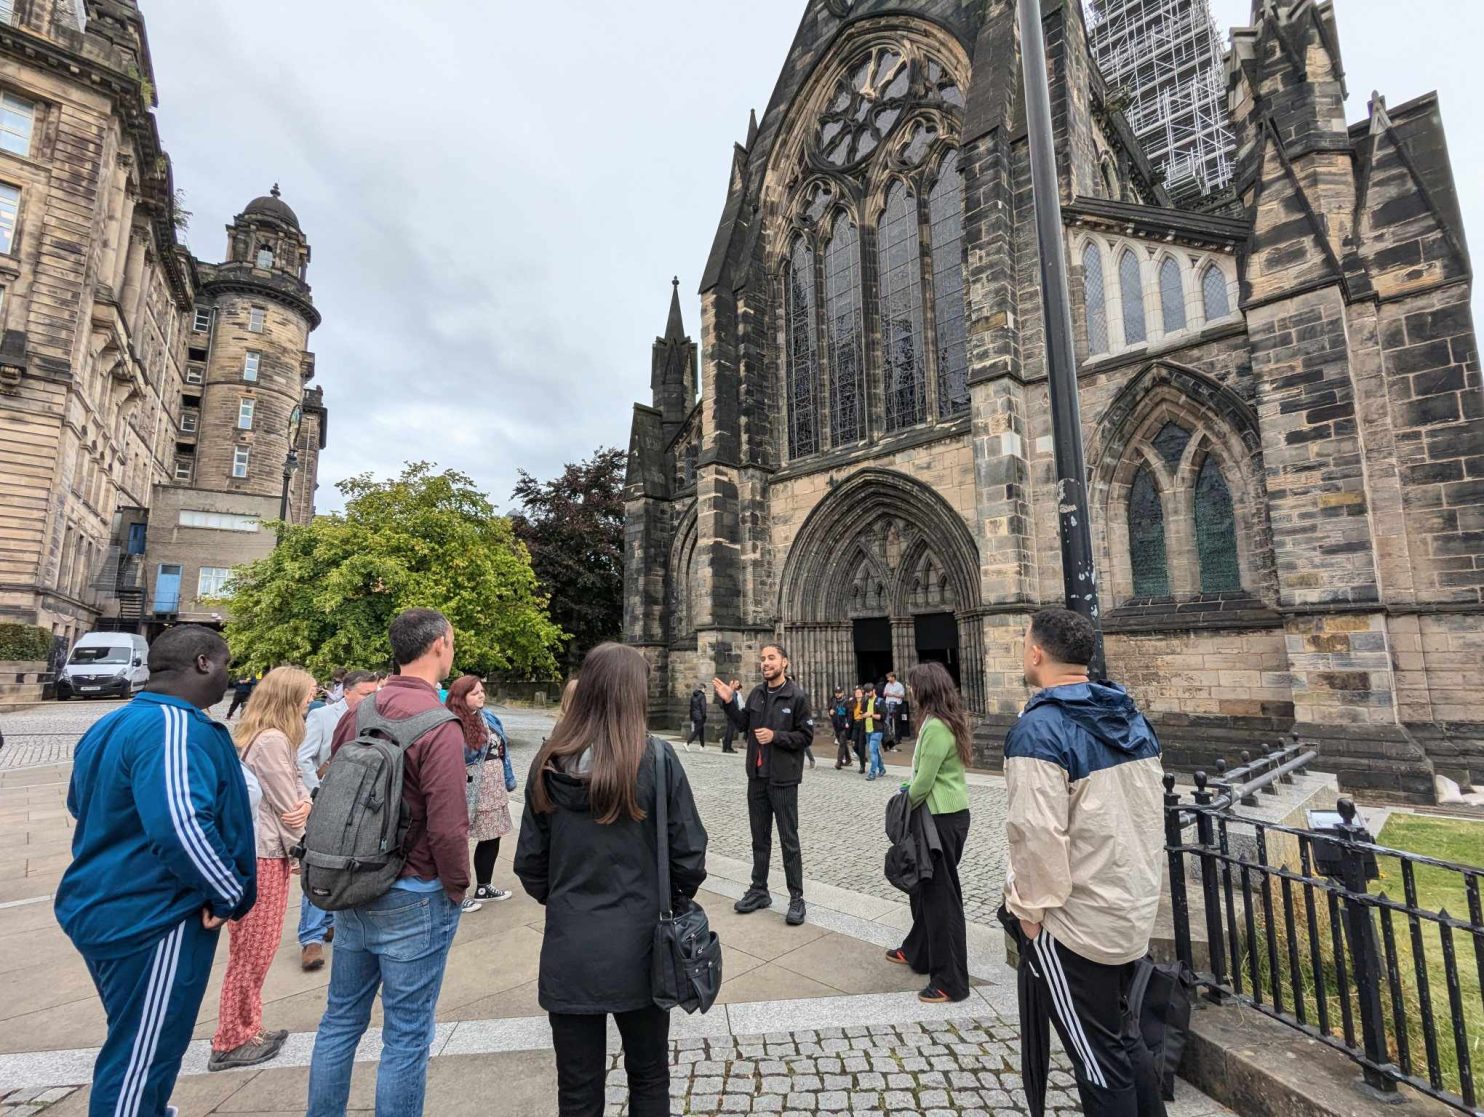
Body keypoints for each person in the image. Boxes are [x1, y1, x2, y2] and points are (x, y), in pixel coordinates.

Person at [55, 625, 257, 1117]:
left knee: (139, 1040)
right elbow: (181, 827)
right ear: (204, 663)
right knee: (140, 1062)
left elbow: (81, 804)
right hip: (154, 915)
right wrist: (227, 892)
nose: (228, 677)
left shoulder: (112, 724)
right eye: (226, 665)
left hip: (108, 905)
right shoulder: (173, 727)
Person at [514, 643, 707, 1117]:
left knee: (578, 1091)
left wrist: (568, 901)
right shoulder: (657, 759)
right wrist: (667, 896)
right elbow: (689, 855)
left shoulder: (548, 761)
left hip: (571, 946)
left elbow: (530, 864)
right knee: (649, 1076)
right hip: (644, 947)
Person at [307, 608, 470, 1117]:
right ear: (439, 644)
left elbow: (334, 788)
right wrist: (457, 887)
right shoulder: (440, 725)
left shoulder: (360, 712)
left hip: (354, 884)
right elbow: (448, 827)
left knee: (339, 1022)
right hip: (415, 892)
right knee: (406, 1035)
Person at [1004, 607, 1166, 1117]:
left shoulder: (1039, 730)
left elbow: (1036, 837)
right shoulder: (1129, 716)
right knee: (1121, 1039)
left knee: (1097, 1064)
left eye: (1023, 642)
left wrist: (1029, 917)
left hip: (1075, 927)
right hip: (1128, 911)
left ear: (1036, 653)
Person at [209, 666, 316, 1071]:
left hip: (266, 851)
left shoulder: (270, 736)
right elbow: (290, 807)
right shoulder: (272, 740)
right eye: (307, 693)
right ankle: (231, 1038)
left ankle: (249, 1026)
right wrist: (303, 844)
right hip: (264, 854)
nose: (311, 700)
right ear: (289, 697)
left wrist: (304, 803)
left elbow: (297, 791)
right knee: (254, 949)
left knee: (257, 948)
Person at [886, 662, 972, 1003]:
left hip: (939, 819)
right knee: (925, 890)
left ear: (925, 689)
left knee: (941, 899)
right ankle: (918, 952)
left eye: (912, 685)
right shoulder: (947, 720)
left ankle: (951, 981)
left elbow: (924, 781)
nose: (909, 691)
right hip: (948, 815)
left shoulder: (935, 726)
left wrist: (903, 802)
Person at [713, 644, 813, 926]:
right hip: (757, 777)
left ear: (785, 662)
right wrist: (729, 702)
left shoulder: (796, 696)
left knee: (788, 840)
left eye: (771, 658)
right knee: (759, 838)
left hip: (783, 779)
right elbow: (743, 724)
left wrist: (776, 736)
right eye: (762, 659)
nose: (765, 663)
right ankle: (759, 890)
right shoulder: (757, 693)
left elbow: (806, 736)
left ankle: (796, 898)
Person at [295, 670, 379, 971]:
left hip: (360, 803)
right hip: (327, 800)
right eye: (366, 694)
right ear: (346, 692)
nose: (372, 698)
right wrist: (317, 793)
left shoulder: (376, 716)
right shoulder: (323, 716)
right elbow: (304, 758)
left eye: (375, 693)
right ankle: (311, 937)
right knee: (321, 864)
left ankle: (331, 920)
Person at [447, 674, 514, 912]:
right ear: (461, 696)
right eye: (474, 693)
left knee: (492, 835)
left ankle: (484, 886)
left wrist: (508, 779)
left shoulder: (489, 717)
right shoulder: (452, 722)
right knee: (459, 840)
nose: (481, 695)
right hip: (467, 786)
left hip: (493, 787)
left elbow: (503, 750)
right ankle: (457, 893)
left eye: (482, 691)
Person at [859, 681, 886, 780]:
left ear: (873, 690)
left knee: (872, 751)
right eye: (866, 692)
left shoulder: (880, 701)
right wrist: (862, 714)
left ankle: (872, 773)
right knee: (875, 751)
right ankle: (882, 769)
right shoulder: (865, 701)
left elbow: (882, 716)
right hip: (867, 730)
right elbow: (862, 713)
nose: (867, 694)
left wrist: (870, 715)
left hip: (877, 730)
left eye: (868, 692)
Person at [829, 688, 852, 769]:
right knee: (843, 743)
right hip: (836, 726)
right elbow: (830, 710)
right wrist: (830, 712)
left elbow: (849, 714)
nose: (837, 694)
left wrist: (848, 723)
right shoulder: (833, 701)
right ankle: (848, 759)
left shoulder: (846, 702)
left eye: (839, 692)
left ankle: (839, 762)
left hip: (844, 726)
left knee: (842, 743)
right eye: (836, 692)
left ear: (842, 693)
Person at [716, 678, 740, 753]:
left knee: (729, 730)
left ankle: (725, 747)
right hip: (731, 714)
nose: (738, 685)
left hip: (730, 713)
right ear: (732, 684)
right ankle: (728, 748)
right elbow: (732, 703)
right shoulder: (731, 692)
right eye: (737, 683)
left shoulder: (733, 692)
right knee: (730, 731)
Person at [882, 672, 905, 748]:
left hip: (896, 704)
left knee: (896, 721)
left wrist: (893, 694)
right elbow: (884, 693)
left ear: (893, 677)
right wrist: (886, 693)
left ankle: (898, 738)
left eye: (889, 677)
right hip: (888, 704)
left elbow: (902, 695)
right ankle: (891, 738)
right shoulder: (887, 685)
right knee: (888, 721)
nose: (887, 679)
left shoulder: (899, 685)